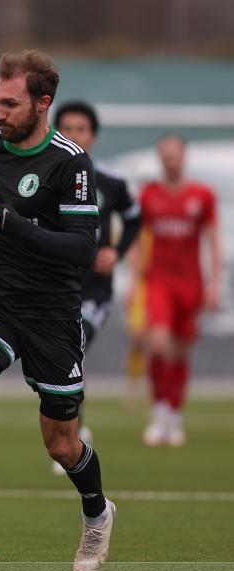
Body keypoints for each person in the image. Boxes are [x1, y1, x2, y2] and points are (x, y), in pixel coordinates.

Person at [0, 50, 115, 571]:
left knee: (60, 445)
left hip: (52, 311)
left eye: (10, 104)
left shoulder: (70, 162)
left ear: (42, 103)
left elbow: (81, 249)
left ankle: (97, 514)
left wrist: (15, 224)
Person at [50, 100, 142, 474]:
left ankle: (74, 434)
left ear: (93, 136)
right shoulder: (44, 177)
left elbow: (135, 220)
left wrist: (116, 253)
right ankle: (69, 430)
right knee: (58, 361)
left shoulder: (110, 182)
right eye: (66, 128)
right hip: (53, 287)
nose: (73, 135)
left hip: (93, 292)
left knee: (75, 345)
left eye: (81, 129)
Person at [137, 135, 222, 447]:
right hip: (159, 281)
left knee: (181, 352)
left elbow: (213, 240)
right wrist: (135, 283)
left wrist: (214, 283)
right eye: (165, 155)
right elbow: (137, 241)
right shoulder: (149, 195)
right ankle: (159, 413)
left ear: (184, 157)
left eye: (175, 155)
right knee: (158, 345)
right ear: (160, 159)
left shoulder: (203, 195)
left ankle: (174, 416)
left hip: (191, 283)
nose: (170, 160)